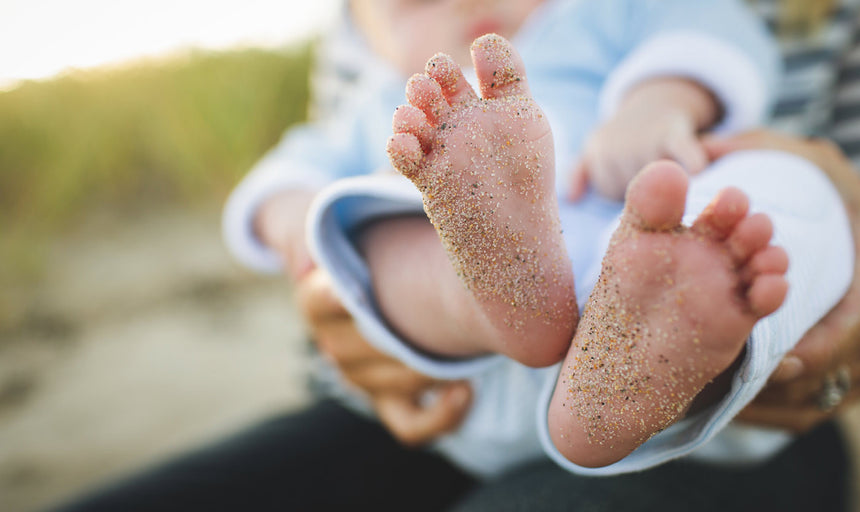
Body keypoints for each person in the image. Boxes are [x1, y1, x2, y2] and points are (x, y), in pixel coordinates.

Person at [48, 0, 860, 510]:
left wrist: (657, 102)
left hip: (706, 381)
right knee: (376, 219)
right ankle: (492, 292)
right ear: (369, 32)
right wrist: (303, 230)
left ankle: (661, 340)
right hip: (462, 384)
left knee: (785, 178)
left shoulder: (601, 18)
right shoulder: (388, 110)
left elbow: (708, 30)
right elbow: (277, 185)